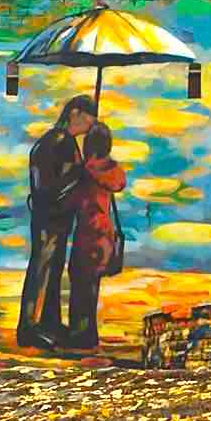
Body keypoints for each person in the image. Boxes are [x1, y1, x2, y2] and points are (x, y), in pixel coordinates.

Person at [17, 95, 97, 349]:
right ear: (74, 113)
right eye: (88, 117)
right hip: (50, 216)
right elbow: (51, 186)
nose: (91, 123)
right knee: (43, 268)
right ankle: (30, 327)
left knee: (52, 268)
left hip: (56, 217)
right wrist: (80, 176)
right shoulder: (59, 141)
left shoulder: (63, 141)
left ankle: (49, 322)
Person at [67, 122, 126, 349]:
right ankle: (88, 334)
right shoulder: (112, 170)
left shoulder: (85, 171)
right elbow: (118, 182)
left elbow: (74, 199)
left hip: (87, 232)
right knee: (91, 285)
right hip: (105, 233)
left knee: (80, 283)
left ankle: (80, 335)